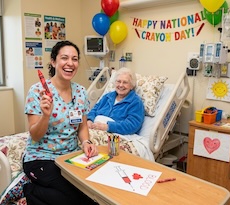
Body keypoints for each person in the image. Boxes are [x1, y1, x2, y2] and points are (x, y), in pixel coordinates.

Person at [23, 40, 98, 205]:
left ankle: (36, 195)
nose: (70, 63)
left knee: (92, 191)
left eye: (75, 59)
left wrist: (86, 142)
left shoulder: (81, 92)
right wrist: (45, 115)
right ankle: (30, 190)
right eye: (64, 58)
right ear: (53, 61)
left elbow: (82, 125)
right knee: (76, 198)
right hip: (41, 158)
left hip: (71, 157)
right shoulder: (37, 92)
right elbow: (35, 135)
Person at [87, 67, 145, 135]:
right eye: (118, 81)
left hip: (115, 135)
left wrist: (108, 127)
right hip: (94, 128)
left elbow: (132, 125)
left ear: (131, 85)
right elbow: (94, 110)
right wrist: (89, 120)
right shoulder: (107, 97)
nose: (121, 85)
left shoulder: (135, 102)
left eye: (125, 82)